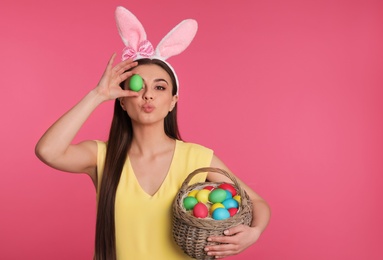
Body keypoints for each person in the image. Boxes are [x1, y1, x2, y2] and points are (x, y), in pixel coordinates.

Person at [35, 6, 270, 260]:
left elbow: (258, 203)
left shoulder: (197, 158)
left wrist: (253, 232)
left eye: (160, 87)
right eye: (138, 86)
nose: (148, 94)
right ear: (123, 101)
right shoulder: (102, 156)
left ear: (172, 101)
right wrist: (97, 95)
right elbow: (48, 151)